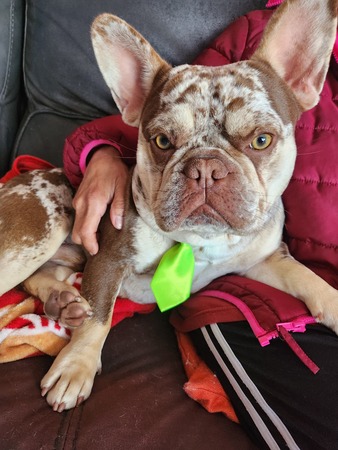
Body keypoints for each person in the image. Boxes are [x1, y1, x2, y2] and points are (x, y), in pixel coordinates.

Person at [63, 4, 338, 449]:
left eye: (260, 140)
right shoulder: (248, 48)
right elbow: (156, 111)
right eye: (168, 142)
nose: (206, 175)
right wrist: (100, 153)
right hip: (241, 299)